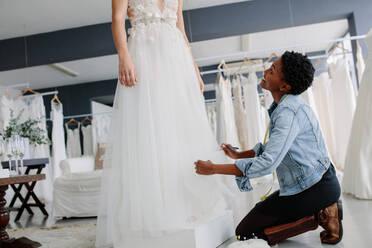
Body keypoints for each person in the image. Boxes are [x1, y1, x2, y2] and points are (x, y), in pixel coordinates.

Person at [95, 0, 234, 247]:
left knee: (181, 128)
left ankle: (188, 205)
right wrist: (124, 57)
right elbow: (117, 20)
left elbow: (181, 30)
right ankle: (156, 211)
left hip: (176, 60)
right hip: (144, 57)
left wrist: (194, 68)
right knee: (151, 129)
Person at [195, 51, 343, 245]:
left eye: (272, 70)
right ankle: (320, 208)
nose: (265, 71)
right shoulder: (286, 107)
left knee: (244, 233)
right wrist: (237, 154)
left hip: (314, 189)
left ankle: (318, 215)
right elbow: (274, 149)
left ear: (284, 86)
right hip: (313, 184)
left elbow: (268, 163)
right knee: (250, 225)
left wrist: (214, 169)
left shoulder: (287, 113)